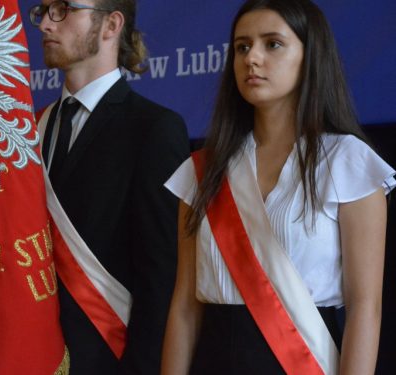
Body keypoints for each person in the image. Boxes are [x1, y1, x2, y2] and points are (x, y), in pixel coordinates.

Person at [161, 0, 395, 373]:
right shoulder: (202, 171)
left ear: (310, 56)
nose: (252, 58)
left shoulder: (348, 161)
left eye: (272, 44)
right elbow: (185, 306)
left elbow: (366, 307)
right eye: (242, 46)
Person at [29, 0, 189, 373]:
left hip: (111, 359)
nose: (45, 25)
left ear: (111, 25)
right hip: (34, 354)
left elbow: (160, 277)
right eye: (45, 10)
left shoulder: (154, 129)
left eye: (65, 9)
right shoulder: (30, 130)